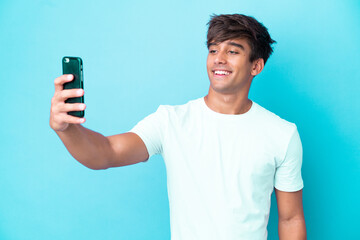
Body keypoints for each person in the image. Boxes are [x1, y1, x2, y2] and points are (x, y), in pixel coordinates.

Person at [50, 14, 306, 240]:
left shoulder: (281, 134)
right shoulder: (170, 121)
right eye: (214, 50)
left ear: (256, 66)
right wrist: (67, 129)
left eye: (233, 51)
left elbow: (291, 219)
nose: (219, 59)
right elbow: (106, 153)